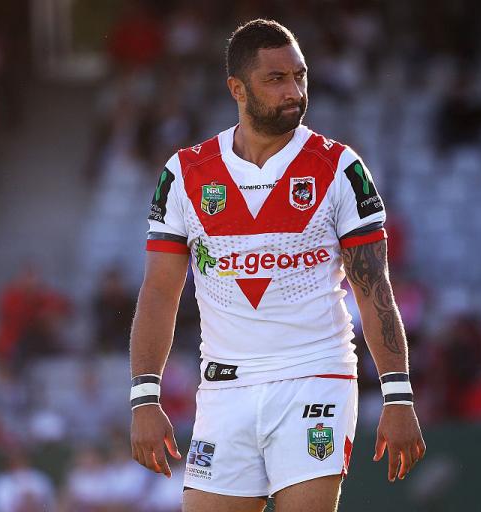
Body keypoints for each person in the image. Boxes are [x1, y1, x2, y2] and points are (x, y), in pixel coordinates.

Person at [130, 19, 425, 512]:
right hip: (224, 389)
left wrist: (398, 394)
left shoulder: (340, 168)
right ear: (237, 89)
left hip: (316, 377)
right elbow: (159, 293)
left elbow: (374, 290)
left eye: (300, 76)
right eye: (276, 79)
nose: (294, 91)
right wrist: (144, 397)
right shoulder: (185, 174)